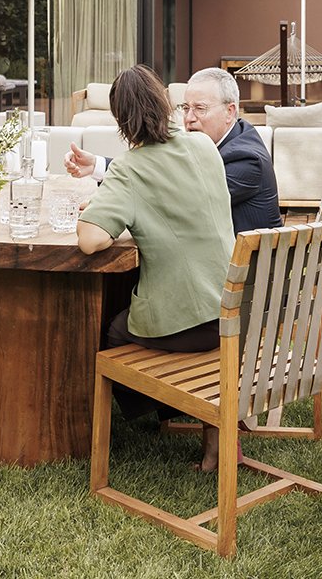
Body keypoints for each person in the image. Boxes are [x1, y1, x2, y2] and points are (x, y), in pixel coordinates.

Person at [75, 65, 236, 469]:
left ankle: (171, 408)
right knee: (137, 317)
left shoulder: (130, 168)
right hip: (235, 312)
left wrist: (98, 208)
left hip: (193, 328)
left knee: (113, 331)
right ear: (166, 103)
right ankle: (204, 427)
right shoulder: (203, 146)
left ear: (120, 120)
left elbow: (91, 240)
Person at [66, 67, 280, 234]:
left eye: (200, 108)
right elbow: (165, 175)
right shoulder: (219, 143)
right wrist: (97, 165)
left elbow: (178, 199)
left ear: (229, 111)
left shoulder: (246, 159)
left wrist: (108, 204)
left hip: (250, 280)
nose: (189, 118)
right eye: (186, 108)